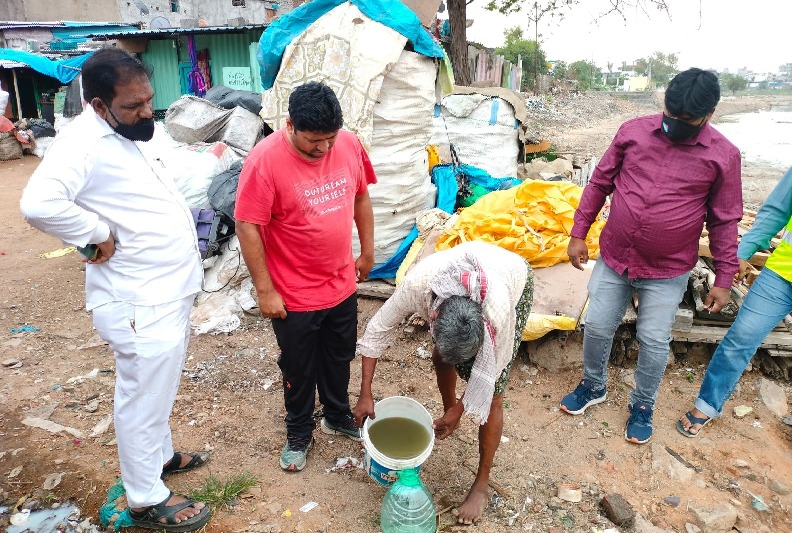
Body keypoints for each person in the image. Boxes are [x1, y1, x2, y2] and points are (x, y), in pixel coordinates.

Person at [19, 48, 211, 531]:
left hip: (165, 288)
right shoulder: (82, 143)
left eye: (149, 100)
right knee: (142, 395)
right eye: (133, 106)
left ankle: (159, 457)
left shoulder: (130, 128)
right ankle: (146, 496)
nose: (147, 111)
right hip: (137, 297)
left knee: (159, 386)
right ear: (99, 105)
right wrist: (93, 231)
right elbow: (38, 204)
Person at [559, 68, 743, 445]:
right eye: (671, 116)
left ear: (710, 114)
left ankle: (642, 405)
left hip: (667, 268)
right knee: (596, 325)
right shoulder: (633, 131)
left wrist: (724, 279)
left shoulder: (724, 156)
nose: (676, 125)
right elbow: (599, 184)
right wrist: (578, 233)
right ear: (664, 103)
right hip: (615, 256)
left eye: (687, 121)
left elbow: (725, 220)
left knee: (655, 339)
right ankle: (594, 386)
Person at [235, 81, 376, 472]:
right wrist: (265, 290)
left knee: (339, 355)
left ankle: (335, 413)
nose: (323, 149)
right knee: (298, 367)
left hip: (341, 282)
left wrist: (367, 251)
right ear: (290, 125)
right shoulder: (264, 161)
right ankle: (299, 429)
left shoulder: (348, 144)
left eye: (329, 139)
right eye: (313, 141)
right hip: (293, 293)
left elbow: (361, 196)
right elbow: (247, 225)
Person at [355, 241, 535, 525]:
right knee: (441, 358)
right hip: (465, 277)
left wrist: (466, 407)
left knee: (494, 397)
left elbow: (492, 371)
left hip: (512, 276)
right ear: (434, 317)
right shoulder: (418, 286)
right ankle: (449, 409)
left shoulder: (498, 312)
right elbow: (377, 330)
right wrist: (365, 393)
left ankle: (481, 485)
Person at [677, 157, 792, 440]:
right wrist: (743, 253)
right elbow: (777, 209)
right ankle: (706, 405)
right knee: (741, 337)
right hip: (782, 275)